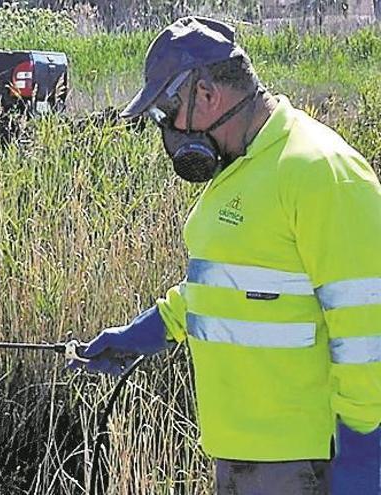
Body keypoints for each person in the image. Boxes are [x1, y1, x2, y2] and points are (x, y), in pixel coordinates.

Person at [68, 16, 381, 494]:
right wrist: (153, 329)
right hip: (241, 454)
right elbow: (231, 283)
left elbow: (367, 325)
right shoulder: (240, 170)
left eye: (167, 113)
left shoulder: (322, 171)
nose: (168, 130)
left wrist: (363, 458)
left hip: (304, 462)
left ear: (207, 93)